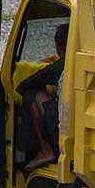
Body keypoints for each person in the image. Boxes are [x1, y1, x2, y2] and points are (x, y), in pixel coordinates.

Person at [18, 23, 68, 169]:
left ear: (59, 48)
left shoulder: (60, 66)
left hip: (63, 134)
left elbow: (23, 86)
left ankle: (45, 151)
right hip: (84, 132)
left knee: (31, 95)